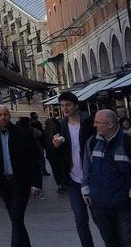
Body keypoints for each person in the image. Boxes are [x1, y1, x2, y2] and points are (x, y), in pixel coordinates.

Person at [0, 104, 42, 247]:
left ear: (9, 115)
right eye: (0, 115)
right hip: (4, 183)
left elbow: (34, 159)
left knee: (16, 215)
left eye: (6, 114)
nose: (3, 118)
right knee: (16, 219)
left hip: (21, 182)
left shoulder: (22, 133)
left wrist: (36, 183)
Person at [82, 109, 131, 247]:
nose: (94, 125)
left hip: (124, 205)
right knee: (109, 241)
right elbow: (87, 168)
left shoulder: (127, 141)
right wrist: (85, 190)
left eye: (98, 122)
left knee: (127, 241)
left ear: (110, 124)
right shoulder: (92, 143)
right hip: (100, 204)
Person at [53, 91, 96, 247]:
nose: (65, 108)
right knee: (80, 219)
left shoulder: (89, 122)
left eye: (68, 105)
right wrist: (56, 146)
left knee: (99, 217)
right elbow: (58, 155)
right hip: (72, 179)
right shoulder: (61, 125)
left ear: (76, 106)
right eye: (62, 105)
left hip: (91, 178)